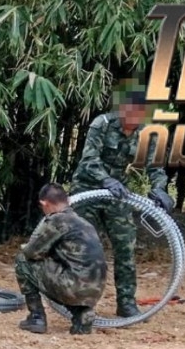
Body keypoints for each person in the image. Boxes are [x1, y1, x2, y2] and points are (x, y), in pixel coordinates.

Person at [70, 86, 171, 319]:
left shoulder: (147, 133)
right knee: (86, 250)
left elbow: (155, 166)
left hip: (118, 194)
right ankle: (81, 305)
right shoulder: (102, 124)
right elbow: (89, 159)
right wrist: (106, 180)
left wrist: (159, 189)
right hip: (88, 190)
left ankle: (126, 303)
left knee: (125, 247)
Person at [15, 183, 108, 335]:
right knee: (69, 272)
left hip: (73, 286)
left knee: (22, 260)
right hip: (95, 289)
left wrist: (26, 247)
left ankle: (36, 317)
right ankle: (82, 314)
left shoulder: (57, 221)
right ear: (68, 201)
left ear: (44, 204)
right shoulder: (84, 223)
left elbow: (32, 253)